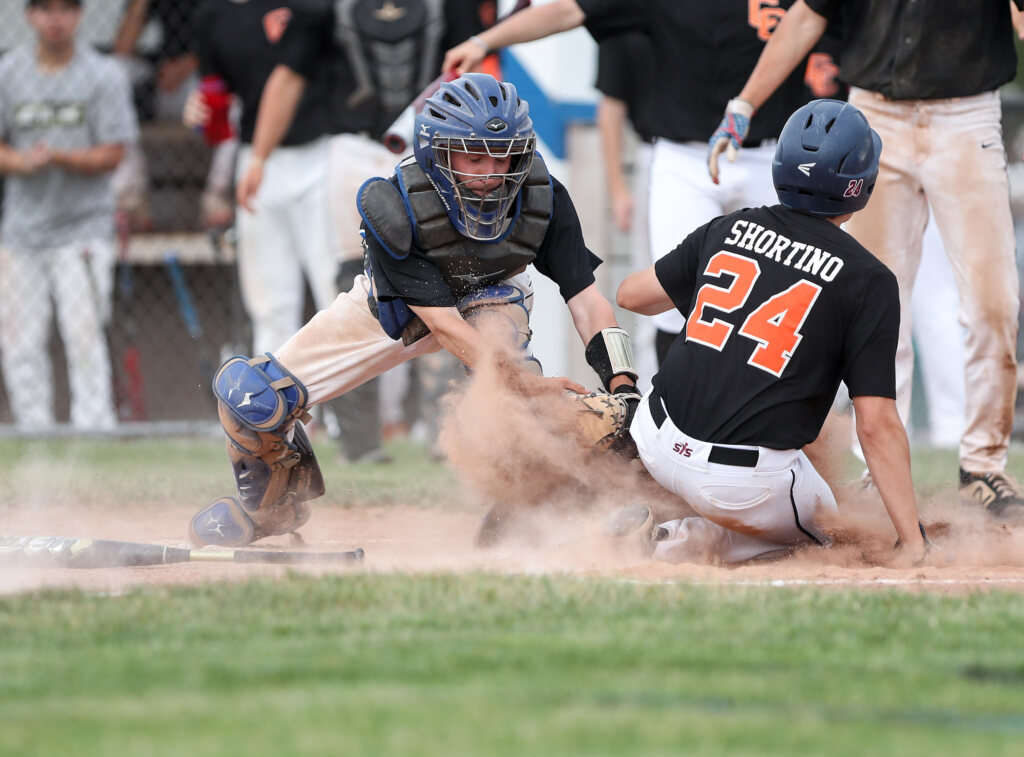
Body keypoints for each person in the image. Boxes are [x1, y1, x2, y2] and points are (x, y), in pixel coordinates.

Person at [187, 73, 642, 547]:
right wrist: (525, 379)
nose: (490, 172)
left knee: (525, 412)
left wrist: (624, 387)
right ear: (438, 155)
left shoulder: (542, 198)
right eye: (474, 156)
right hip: (404, 308)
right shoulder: (397, 206)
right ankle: (270, 512)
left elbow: (587, 301)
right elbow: (443, 325)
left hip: (492, 296)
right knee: (251, 399)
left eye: (502, 156)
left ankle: (551, 510)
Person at [709, 0, 1024, 520]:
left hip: (967, 113)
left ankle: (983, 467)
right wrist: (743, 104)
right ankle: (875, 471)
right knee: (873, 303)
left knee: (995, 303)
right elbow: (808, 14)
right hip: (874, 115)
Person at [610, 99, 927, 565]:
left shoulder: (728, 227)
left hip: (655, 438)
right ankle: (675, 541)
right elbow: (876, 426)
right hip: (738, 483)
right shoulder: (869, 279)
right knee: (833, 538)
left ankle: (643, 514)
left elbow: (630, 295)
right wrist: (914, 541)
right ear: (862, 186)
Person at [443, 1, 837, 369]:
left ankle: (777, 428)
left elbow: (827, 27)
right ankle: (677, 423)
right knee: (673, 296)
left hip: (771, 155)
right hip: (684, 157)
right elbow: (568, 10)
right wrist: (484, 40)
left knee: (786, 298)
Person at [237, 0, 484, 464]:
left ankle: (447, 433)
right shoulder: (325, 6)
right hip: (352, 150)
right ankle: (359, 440)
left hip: (432, 148)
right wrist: (258, 157)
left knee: (450, 279)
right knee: (357, 287)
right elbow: (289, 76)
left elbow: (476, 65)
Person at [0, 0, 139, 431]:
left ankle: (93, 431)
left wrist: (59, 156)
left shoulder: (103, 74)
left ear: (79, 16)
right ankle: (33, 431)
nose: (55, 19)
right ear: (29, 16)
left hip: (84, 228)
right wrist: (20, 162)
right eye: (44, 9)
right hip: (21, 229)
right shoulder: (8, 72)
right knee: (19, 341)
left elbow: (115, 152)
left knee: (84, 336)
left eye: (65, 9)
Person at [184, 0, 339, 366]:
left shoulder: (310, 5)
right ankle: (275, 413)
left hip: (323, 152)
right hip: (258, 164)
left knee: (337, 291)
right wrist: (199, 113)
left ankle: (345, 418)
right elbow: (217, 100)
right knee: (270, 302)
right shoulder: (212, 15)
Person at [594, 32, 657, 391]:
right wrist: (618, 187)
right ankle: (650, 404)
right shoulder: (629, 18)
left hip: (746, 150)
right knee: (654, 295)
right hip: (662, 154)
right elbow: (611, 106)